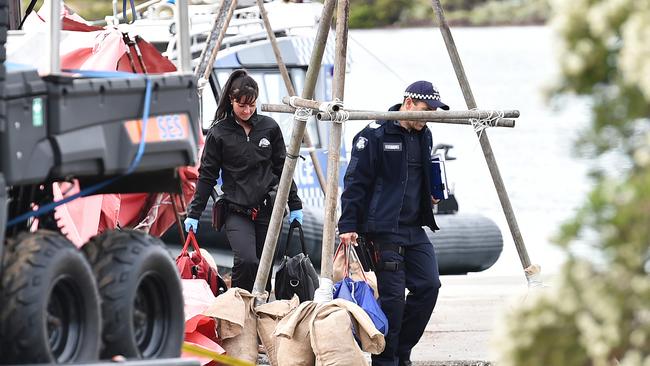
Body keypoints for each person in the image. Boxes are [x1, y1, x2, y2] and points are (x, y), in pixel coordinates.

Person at [338, 80, 448, 366]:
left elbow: (421, 176)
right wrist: (347, 224)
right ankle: (386, 360)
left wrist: (432, 196)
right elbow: (355, 183)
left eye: (433, 113)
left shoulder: (424, 135)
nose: (429, 118)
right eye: (426, 111)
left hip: (415, 228)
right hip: (384, 230)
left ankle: (401, 350)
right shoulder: (373, 135)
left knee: (429, 286)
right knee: (393, 301)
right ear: (409, 103)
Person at [184, 69, 303, 292]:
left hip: (267, 210)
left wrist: (295, 204)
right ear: (231, 100)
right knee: (247, 260)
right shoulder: (219, 133)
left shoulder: (270, 128)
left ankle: (260, 315)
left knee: (264, 268)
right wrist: (194, 213)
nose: (247, 110)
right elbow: (207, 176)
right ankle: (238, 307)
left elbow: (283, 169)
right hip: (236, 211)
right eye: (242, 105)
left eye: (252, 104)